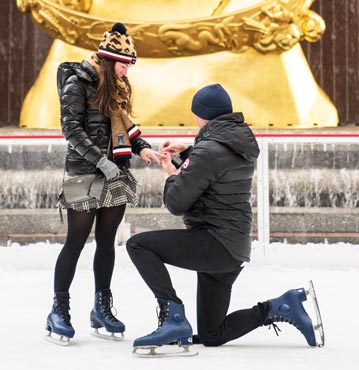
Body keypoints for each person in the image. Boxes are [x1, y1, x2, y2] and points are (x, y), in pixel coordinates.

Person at [126, 83, 317, 353]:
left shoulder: (209, 151)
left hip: (214, 243)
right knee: (212, 333)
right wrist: (188, 153)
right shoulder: (236, 143)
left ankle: (173, 317)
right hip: (232, 248)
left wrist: (172, 173)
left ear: (202, 114)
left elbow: (177, 202)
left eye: (194, 113)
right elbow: (212, 172)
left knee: (138, 245)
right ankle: (282, 306)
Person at [46, 22, 162, 344]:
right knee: (75, 241)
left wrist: (143, 148)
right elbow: (72, 130)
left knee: (107, 242)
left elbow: (126, 126)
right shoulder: (77, 84)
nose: (127, 70)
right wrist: (101, 162)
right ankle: (59, 309)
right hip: (85, 174)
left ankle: (102, 306)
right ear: (110, 61)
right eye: (124, 64)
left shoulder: (118, 88)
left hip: (116, 173)